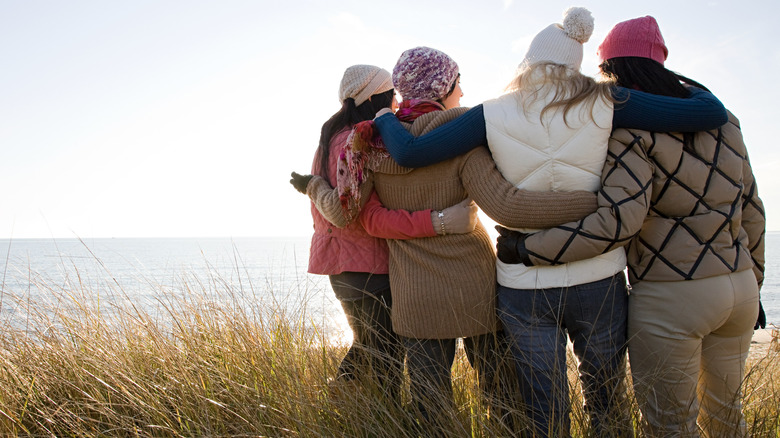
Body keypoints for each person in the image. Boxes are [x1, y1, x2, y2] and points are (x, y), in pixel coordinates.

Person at [370, 8, 731, 438]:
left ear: (529, 60)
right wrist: (688, 86)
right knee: (607, 404)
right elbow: (709, 112)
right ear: (575, 65)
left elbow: (412, 154)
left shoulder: (492, 112)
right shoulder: (606, 101)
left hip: (524, 284)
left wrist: (384, 117)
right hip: (599, 274)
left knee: (545, 410)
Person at [299, 46, 602, 434]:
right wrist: (590, 202)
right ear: (442, 88)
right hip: (474, 287)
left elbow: (368, 219)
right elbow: (508, 207)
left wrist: (314, 187)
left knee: (430, 409)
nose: (461, 91)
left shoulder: (373, 146)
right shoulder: (462, 141)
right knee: (502, 397)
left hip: (414, 294)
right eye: (457, 83)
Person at [495, 16, 766, 437]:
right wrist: (755, 278)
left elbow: (619, 219)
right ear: (661, 60)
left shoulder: (629, 129)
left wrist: (529, 250)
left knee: (669, 426)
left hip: (673, 293)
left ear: (609, 68)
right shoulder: (723, 119)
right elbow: (752, 209)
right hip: (740, 289)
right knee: (728, 417)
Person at [294, 64, 482, 404]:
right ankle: (367, 415)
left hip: (342, 267)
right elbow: (341, 210)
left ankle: (339, 408)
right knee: (385, 362)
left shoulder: (328, 138)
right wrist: (314, 186)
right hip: (369, 267)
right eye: (391, 94)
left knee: (368, 347)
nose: (395, 103)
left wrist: (312, 185)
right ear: (377, 96)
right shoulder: (359, 139)